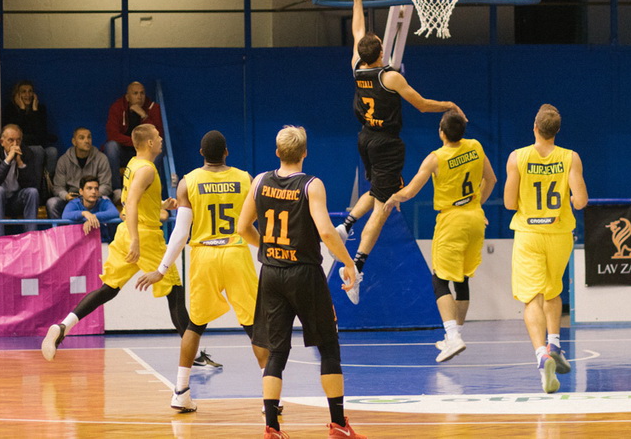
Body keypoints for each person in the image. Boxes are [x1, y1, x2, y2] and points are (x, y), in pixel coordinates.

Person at [335, 0, 464, 305]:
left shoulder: (357, 66)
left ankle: (346, 225)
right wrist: (448, 104)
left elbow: (357, 30)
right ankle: (356, 268)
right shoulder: (388, 77)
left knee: (377, 190)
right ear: (379, 53)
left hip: (365, 137)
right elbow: (420, 104)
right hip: (387, 143)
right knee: (385, 204)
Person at [239, 126, 365, 439]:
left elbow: (243, 227)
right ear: (305, 153)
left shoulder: (260, 181)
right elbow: (325, 232)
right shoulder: (311, 185)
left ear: (278, 153)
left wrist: (268, 249)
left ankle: (272, 427)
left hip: (271, 273)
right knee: (328, 348)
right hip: (305, 274)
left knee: (276, 351)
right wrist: (349, 263)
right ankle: (338, 424)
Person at [135, 130, 267, 414]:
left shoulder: (188, 182)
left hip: (204, 254)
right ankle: (272, 396)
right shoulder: (245, 178)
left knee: (195, 325)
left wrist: (162, 268)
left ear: (201, 153)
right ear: (227, 153)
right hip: (235, 253)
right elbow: (251, 225)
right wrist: (266, 247)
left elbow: (181, 233)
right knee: (255, 326)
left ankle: (181, 391)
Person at [41, 124, 192, 361]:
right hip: (144, 236)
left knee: (108, 289)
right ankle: (192, 353)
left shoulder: (133, 164)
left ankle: (63, 327)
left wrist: (160, 206)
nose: (161, 139)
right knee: (175, 291)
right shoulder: (147, 170)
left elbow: (136, 201)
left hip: (127, 233)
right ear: (150, 143)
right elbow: (130, 205)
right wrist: (135, 240)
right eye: (158, 136)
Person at [383, 111, 497, 363]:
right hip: (475, 218)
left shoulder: (436, 158)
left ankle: (453, 337)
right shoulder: (476, 146)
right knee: (462, 279)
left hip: (452, 221)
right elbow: (491, 179)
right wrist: (477, 204)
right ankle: (454, 335)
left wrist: (393, 197)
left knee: (440, 280)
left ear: (441, 132)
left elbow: (410, 190)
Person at [503, 104, 588, 394]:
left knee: (532, 299)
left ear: (535, 128)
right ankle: (555, 345)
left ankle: (542, 356)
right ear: (556, 131)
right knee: (553, 291)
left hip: (529, 233)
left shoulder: (517, 157)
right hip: (559, 233)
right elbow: (580, 201)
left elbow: (509, 203)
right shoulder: (570, 158)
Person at [0, 124, 42, 237]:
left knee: (32, 192)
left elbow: (32, 184)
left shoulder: (27, 152)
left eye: (18, 140)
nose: (15, 144)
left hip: (14, 199)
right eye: (10, 140)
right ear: (2, 142)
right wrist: (8, 160)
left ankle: (31, 238)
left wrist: (20, 163)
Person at [104, 81, 164, 193]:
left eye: (142, 93)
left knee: (161, 145)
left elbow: (157, 135)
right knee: (111, 146)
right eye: (135, 93)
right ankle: (117, 190)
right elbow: (112, 135)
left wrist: (144, 116)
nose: (139, 97)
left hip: (144, 152)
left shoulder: (153, 108)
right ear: (127, 96)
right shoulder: (117, 107)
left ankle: (149, 186)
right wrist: (136, 142)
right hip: (123, 151)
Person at [48, 127, 113, 218]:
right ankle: (61, 232)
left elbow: (106, 185)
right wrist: (66, 196)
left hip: (94, 198)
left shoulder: (101, 158)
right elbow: (58, 187)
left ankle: (102, 232)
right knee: (52, 203)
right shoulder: (63, 160)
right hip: (71, 200)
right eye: (82, 138)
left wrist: (90, 196)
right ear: (74, 142)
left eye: (89, 137)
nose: (87, 141)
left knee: (107, 200)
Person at [2, 80, 58, 175]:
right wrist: (22, 110)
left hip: (38, 144)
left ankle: (47, 184)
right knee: (38, 150)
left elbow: (41, 133)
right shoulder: (10, 110)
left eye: (30, 91)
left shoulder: (40, 109)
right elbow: (17, 132)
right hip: (20, 146)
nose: (28, 95)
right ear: (17, 95)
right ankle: (36, 186)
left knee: (52, 151)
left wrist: (35, 111)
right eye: (23, 92)